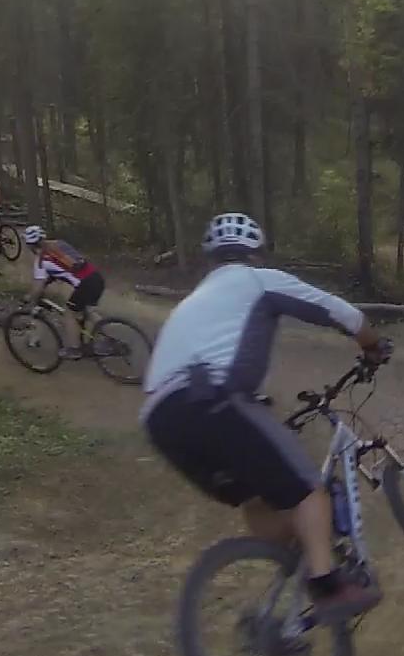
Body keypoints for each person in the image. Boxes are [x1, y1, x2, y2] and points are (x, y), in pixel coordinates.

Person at [139, 212, 388, 626]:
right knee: (311, 491)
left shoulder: (194, 301)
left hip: (161, 421)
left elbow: (197, 357)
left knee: (260, 498)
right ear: (255, 253)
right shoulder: (258, 280)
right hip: (212, 400)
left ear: (212, 258)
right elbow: (339, 312)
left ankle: (284, 598)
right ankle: (329, 587)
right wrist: (373, 346)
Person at [22, 226, 107, 343]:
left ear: (30, 245)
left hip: (84, 284)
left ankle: (74, 349)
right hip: (96, 278)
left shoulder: (41, 261)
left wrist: (30, 297)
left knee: (69, 313)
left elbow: (38, 286)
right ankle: (109, 339)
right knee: (88, 311)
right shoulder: (60, 244)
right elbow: (68, 264)